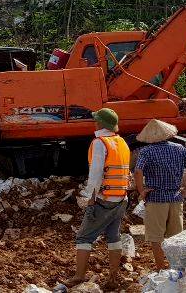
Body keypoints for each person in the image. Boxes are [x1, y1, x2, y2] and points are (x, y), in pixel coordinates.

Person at [67, 108, 130, 290]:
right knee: (113, 237)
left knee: (84, 237)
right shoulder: (122, 142)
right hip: (121, 198)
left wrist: (91, 199)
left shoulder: (99, 143)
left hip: (104, 199)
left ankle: (79, 276)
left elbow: (95, 174)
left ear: (100, 123)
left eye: (96, 120)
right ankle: (113, 276)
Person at [134, 119, 186, 270]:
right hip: (176, 198)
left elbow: (138, 171)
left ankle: (161, 268)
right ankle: (177, 269)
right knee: (176, 237)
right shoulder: (179, 149)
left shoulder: (146, 151)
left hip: (156, 199)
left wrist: (141, 191)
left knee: (156, 237)